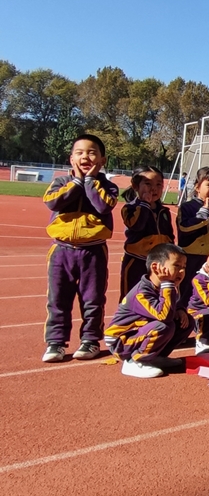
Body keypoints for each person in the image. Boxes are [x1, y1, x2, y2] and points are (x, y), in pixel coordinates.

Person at [42, 134, 121, 363]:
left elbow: (103, 206)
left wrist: (89, 182)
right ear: (71, 159)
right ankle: (56, 342)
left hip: (93, 252)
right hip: (61, 251)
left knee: (92, 299)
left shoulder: (108, 186)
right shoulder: (60, 182)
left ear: (103, 160)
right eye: (79, 153)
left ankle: (90, 340)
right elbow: (53, 202)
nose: (85, 157)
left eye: (92, 152)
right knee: (58, 298)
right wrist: (76, 182)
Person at [103, 243, 193, 378]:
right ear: (156, 267)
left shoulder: (167, 287)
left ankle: (156, 356)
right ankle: (135, 361)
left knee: (185, 321)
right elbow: (164, 315)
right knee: (164, 326)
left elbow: (172, 306)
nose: (181, 271)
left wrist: (179, 309)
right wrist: (167, 285)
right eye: (176, 266)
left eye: (184, 267)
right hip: (120, 341)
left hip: (141, 331)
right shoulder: (142, 292)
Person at [120, 166, 175, 299]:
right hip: (136, 261)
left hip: (159, 263)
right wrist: (145, 204)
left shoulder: (164, 212)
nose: (154, 189)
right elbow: (137, 226)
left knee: (156, 297)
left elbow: (170, 236)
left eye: (158, 184)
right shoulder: (129, 208)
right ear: (135, 186)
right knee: (131, 298)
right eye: (148, 184)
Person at [176, 166, 209, 306]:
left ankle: (202, 315)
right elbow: (184, 229)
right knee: (186, 291)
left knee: (206, 291)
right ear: (197, 187)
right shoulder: (187, 207)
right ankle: (181, 313)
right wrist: (202, 215)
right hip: (190, 258)